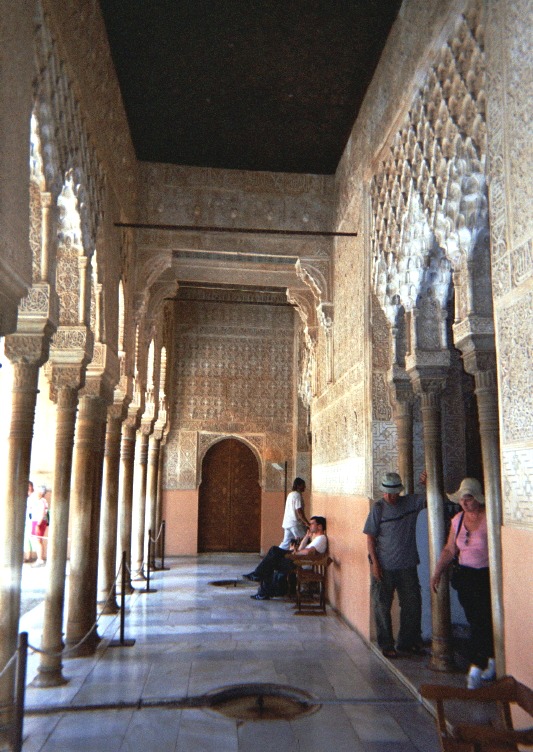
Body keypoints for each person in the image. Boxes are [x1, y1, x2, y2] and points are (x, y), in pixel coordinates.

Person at [431, 478, 495, 689]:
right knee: (475, 618)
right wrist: (438, 571)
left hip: (485, 576)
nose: (465, 503)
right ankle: (487, 660)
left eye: (469, 498)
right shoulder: (457, 520)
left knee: (483, 620)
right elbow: (450, 549)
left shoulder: (489, 517)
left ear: (477, 498)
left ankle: (477, 664)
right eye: (462, 499)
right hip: (466, 577)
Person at [363, 470, 427, 658]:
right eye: (387, 492)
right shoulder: (378, 508)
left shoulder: (410, 503)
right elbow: (370, 539)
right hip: (384, 566)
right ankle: (387, 644)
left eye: (394, 492)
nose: (390, 496)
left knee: (412, 605)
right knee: (382, 606)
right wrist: (375, 564)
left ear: (400, 491)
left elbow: (433, 499)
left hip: (407, 565)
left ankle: (407, 642)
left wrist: (429, 483)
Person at [244, 516, 328, 600]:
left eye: (312, 524)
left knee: (273, 555)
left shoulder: (321, 538)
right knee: (270, 562)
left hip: (300, 564)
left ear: (319, 526)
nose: (309, 525)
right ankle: (262, 587)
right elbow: (301, 549)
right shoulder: (315, 539)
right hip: (297, 560)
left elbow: (307, 552)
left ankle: (259, 578)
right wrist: (306, 536)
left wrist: (295, 553)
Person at [279, 477, 310, 550]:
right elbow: (299, 510)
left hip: (287, 523)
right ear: (298, 486)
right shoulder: (297, 495)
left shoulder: (291, 494)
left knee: (285, 544)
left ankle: (276, 555)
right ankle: (302, 558)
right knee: (304, 539)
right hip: (295, 524)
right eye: (303, 485)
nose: (304, 487)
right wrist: (306, 523)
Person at [30, 484, 48, 567]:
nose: (36, 492)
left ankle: (40, 560)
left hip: (39, 522)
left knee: (38, 540)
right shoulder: (37, 500)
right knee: (37, 540)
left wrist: (38, 524)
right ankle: (39, 559)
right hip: (35, 521)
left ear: (41, 492)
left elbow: (42, 513)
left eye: (38, 491)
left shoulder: (42, 501)